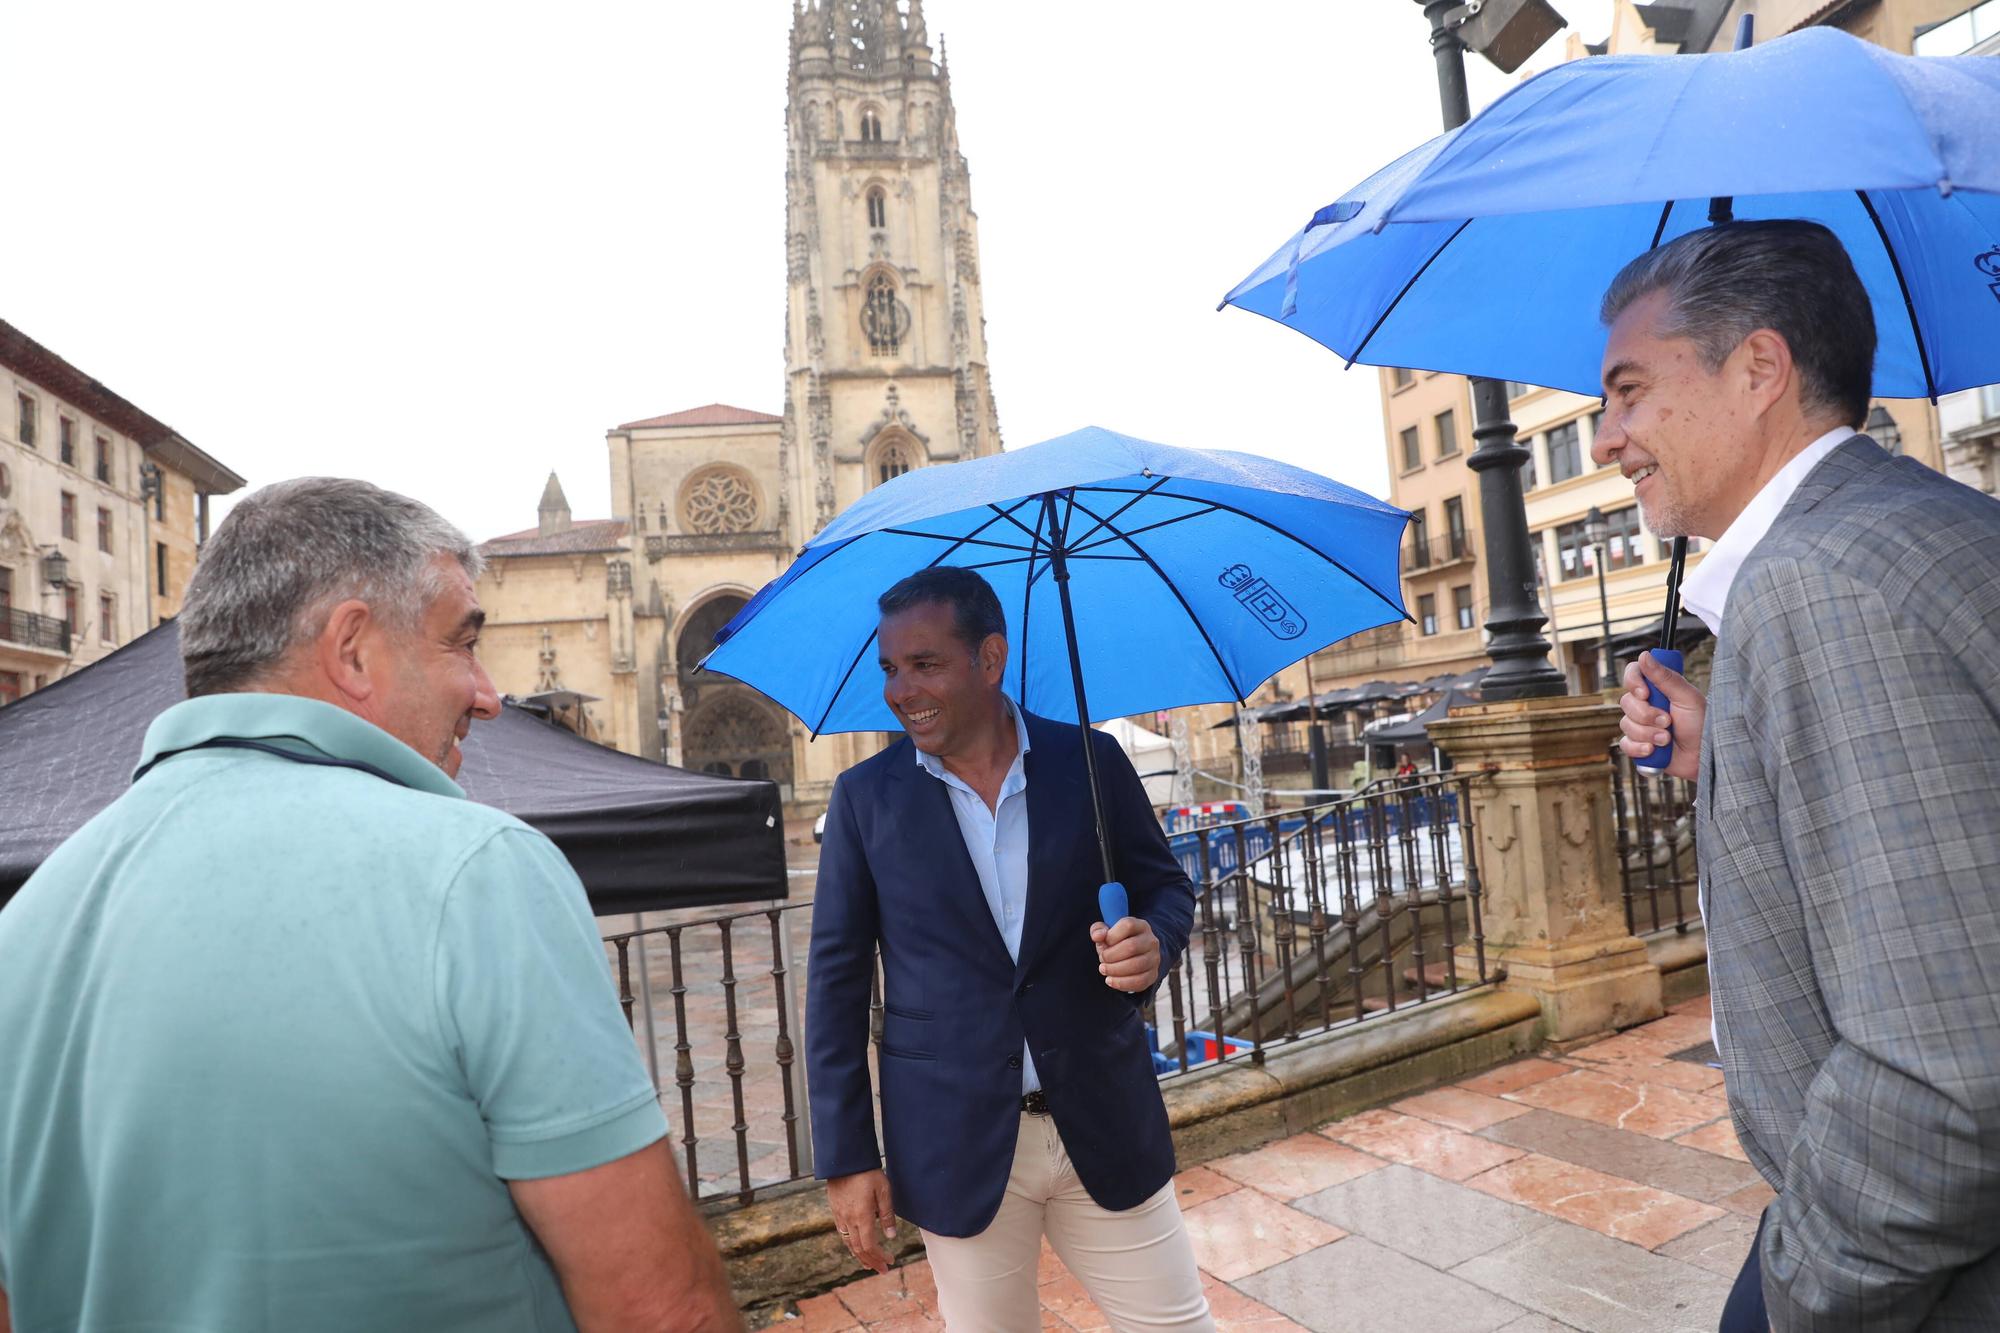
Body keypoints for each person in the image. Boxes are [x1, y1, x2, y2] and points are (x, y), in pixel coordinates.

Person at [0, 478, 739, 1333]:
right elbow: (659, 1308)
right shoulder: (479, 876)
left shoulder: (25, 922)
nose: (490, 693)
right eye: (462, 644)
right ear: (352, 650)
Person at [1600, 221, 2000, 1330]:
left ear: (1758, 369)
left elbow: (1949, 1075)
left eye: (1627, 392)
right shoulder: (1925, 524)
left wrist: (1804, 1289)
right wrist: (1722, 743)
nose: (1603, 439)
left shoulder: (1816, 584)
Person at [806, 567, 1210, 1332]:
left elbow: (1167, 888)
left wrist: (1153, 940)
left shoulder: (1091, 763)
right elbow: (835, 984)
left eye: (925, 664)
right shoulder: (864, 800)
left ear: (991, 658)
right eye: (890, 668)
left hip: (1104, 1115)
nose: (901, 690)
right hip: (956, 1140)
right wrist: (848, 1157)